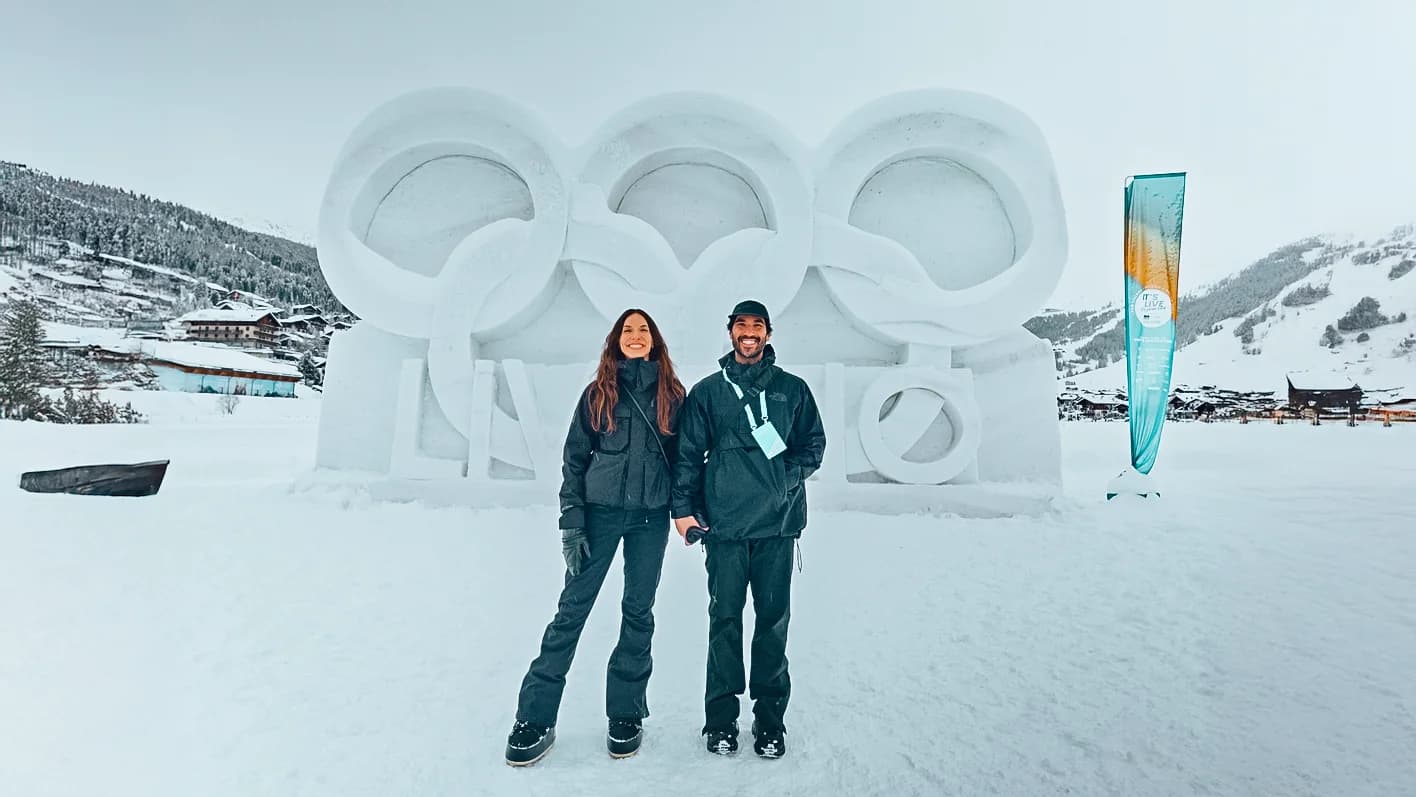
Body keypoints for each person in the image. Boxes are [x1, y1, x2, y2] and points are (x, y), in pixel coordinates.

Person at [505, 308, 686, 766]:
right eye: (628, 329)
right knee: (571, 612)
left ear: (656, 341)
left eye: (644, 329)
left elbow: (686, 463)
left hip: (650, 519)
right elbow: (574, 462)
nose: (636, 335)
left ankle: (625, 712)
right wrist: (571, 522)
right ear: (615, 341)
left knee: (638, 612)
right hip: (600, 516)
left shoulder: (673, 396)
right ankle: (536, 716)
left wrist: (687, 511)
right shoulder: (597, 394)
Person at [671, 299, 826, 759]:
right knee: (724, 621)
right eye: (742, 326)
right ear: (731, 332)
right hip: (723, 527)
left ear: (769, 334)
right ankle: (720, 721)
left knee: (773, 624)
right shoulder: (707, 392)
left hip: (777, 526)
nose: (750, 333)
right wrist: (685, 510)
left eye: (758, 326)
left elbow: (813, 446)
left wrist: (785, 478)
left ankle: (770, 721)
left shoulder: (792, 390)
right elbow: (686, 457)